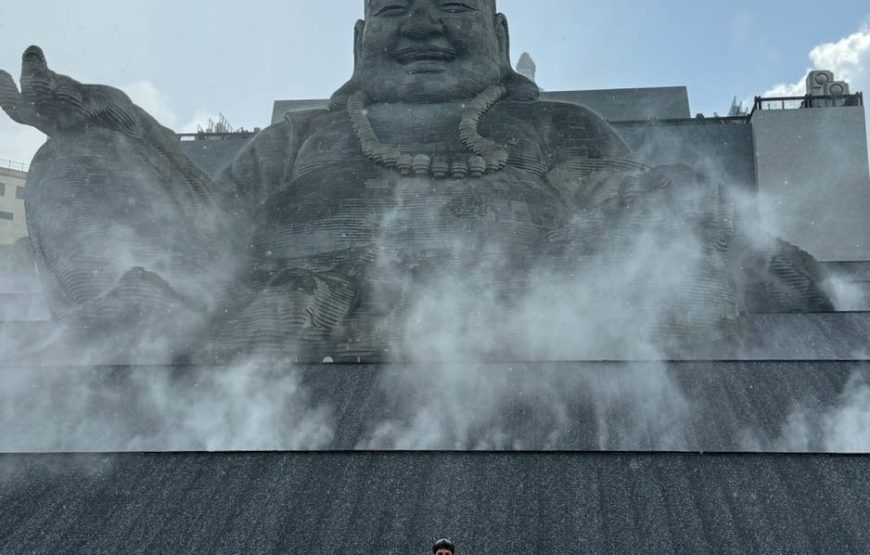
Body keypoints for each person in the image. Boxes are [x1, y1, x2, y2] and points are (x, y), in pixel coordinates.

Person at [0, 0, 832, 362]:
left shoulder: (557, 127)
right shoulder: (301, 138)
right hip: (257, 299)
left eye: (453, 8)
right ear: (361, 35)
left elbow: (631, 213)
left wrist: (692, 217)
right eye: (396, 10)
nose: (425, 25)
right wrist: (112, 122)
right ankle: (133, 349)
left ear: (500, 33)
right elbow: (206, 228)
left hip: (508, 309)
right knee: (75, 164)